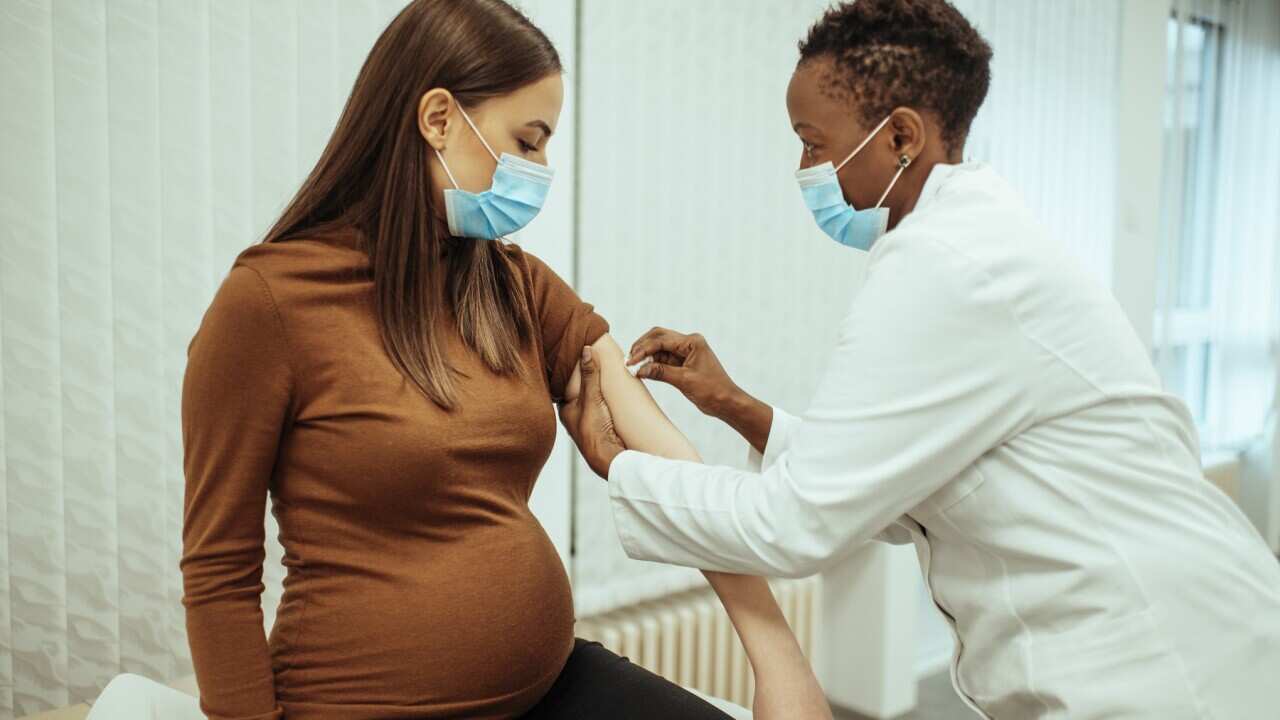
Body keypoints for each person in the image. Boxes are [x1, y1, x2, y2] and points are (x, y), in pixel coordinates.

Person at [562, 1, 1280, 718]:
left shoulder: (944, 266)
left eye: (813, 144)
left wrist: (618, 465)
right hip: (1167, 634)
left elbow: (796, 524)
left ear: (900, 135)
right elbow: (894, 490)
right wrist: (734, 405)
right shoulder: (970, 246)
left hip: (1165, 666)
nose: (803, 169)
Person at [176, 1, 829, 719]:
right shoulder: (268, 304)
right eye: (529, 140)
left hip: (549, 684)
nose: (543, 169)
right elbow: (219, 572)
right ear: (438, 119)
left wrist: (779, 658)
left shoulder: (511, 283)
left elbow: (666, 455)